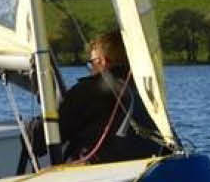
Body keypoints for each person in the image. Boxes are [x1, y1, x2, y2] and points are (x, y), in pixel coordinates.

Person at [56, 30, 166, 164]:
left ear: (102, 61)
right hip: (148, 166)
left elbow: (52, 133)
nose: (91, 69)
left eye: (91, 63)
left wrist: (29, 131)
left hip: (99, 173)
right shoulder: (147, 89)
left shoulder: (89, 90)